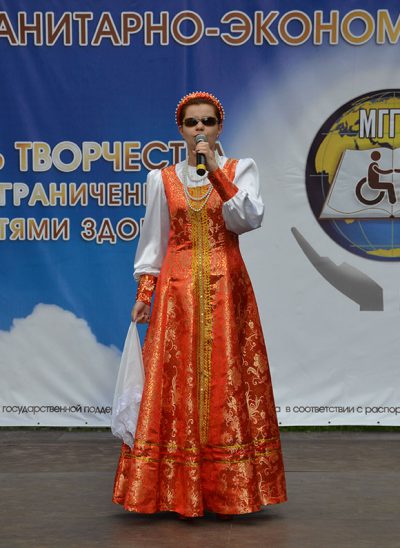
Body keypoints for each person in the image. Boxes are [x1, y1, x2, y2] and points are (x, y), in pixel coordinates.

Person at [112, 91, 287, 518]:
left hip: (227, 288)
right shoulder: (162, 179)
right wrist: (145, 293)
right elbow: (154, 240)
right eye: (192, 123)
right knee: (175, 383)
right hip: (177, 294)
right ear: (181, 130)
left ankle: (228, 491)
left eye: (207, 122)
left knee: (227, 380)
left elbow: (248, 219)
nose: (200, 129)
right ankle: (173, 490)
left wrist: (216, 174)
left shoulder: (240, 170)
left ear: (219, 127)